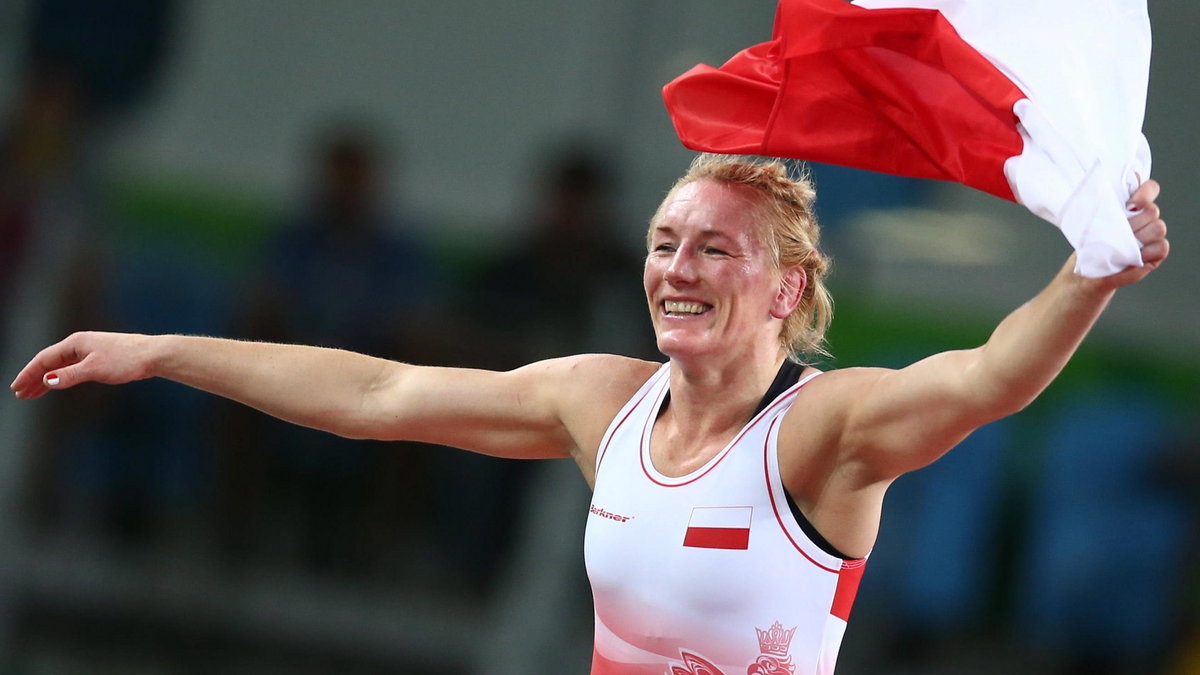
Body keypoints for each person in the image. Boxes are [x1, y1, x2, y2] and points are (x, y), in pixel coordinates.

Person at [9, 154, 1169, 675]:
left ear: (787, 291)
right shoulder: (597, 398)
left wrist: (1091, 273)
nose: (676, 267)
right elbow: (376, 394)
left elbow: (987, 378)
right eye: (664, 243)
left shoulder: (824, 433)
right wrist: (161, 349)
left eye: (714, 248)